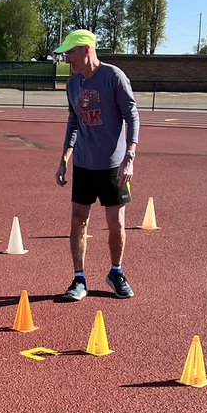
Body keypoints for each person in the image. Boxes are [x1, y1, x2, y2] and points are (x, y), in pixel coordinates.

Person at [53, 29, 140, 301]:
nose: (67, 59)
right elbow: (73, 122)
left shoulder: (114, 76)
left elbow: (132, 116)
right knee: (78, 220)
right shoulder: (72, 84)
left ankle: (116, 272)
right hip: (83, 164)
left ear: (86, 49)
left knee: (116, 224)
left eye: (70, 53)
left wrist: (129, 158)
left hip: (114, 166)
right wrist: (64, 159)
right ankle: (79, 279)